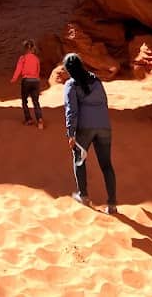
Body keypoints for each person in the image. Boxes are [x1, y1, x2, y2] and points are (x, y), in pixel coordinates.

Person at [63, 52, 117, 213]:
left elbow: (71, 111)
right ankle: (112, 204)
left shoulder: (71, 85)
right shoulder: (97, 81)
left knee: (79, 159)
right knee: (107, 165)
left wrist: (71, 133)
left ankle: (84, 196)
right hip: (104, 127)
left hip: (84, 128)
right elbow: (104, 102)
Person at [11, 39, 44, 129]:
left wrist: (14, 79)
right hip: (35, 81)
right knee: (36, 101)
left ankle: (28, 119)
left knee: (24, 101)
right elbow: (38, 71)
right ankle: (40, 120)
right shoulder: (36, 59)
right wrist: (37, 80)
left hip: (26, 81)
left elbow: (18, 69)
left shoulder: (23, 58)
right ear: (33, 48)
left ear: (25, 49)